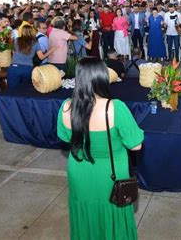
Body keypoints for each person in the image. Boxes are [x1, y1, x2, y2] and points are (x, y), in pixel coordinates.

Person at [57, 57, 144, 240]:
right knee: (113, 214)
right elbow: (136, 145)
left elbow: (65, 137)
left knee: (85, 214)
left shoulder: (66, 107)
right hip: (111, 175)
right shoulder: (115, 108)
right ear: (101, 77)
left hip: (80, 171)